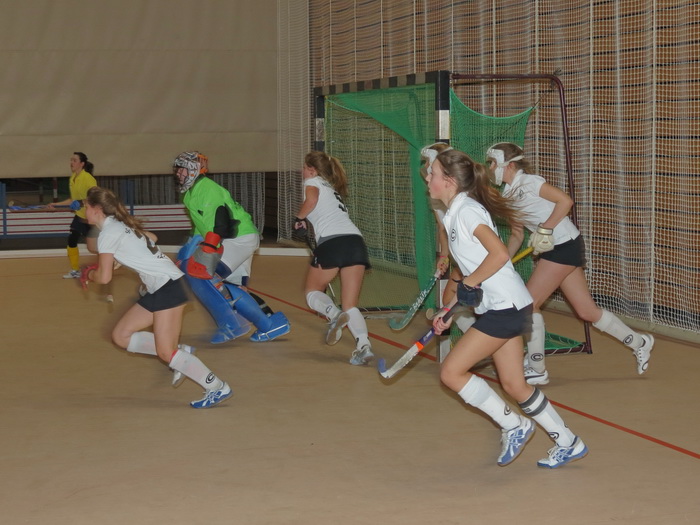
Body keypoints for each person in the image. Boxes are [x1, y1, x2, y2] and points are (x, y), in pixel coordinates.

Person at [427, 148, 587, 468]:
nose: (428, 178)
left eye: (432, 174)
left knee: (451, 372)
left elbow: (499, 254)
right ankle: (569, 442)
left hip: (505, 308)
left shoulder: (466, 211)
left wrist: (470, 283)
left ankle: (513, 425)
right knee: (515, 384)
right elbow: (475, 271)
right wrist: (450, 309)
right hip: (504, 305)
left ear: (449, 181)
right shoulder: (455, 211)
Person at [485, 143, 654, 385]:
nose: (490, 168)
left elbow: (565, 201)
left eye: (492, 162)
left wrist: (545, 229)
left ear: (509, 165)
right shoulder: (508, 195)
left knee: (528, 304)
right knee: (586, 311)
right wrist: (504, 261)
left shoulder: (530, 182)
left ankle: (536, 367)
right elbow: (517, 234)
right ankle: (640, 342)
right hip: (559, 247)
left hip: (564, 245)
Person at [81, 186, 231, 408]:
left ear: (96, 209)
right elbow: (151, 237)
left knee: (165, 352)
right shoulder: (119, 226)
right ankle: (181, 352)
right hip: (161, 286)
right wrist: (122, 257)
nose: (84, 211)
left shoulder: (108, 233)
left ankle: (217, 387)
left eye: (86, 206)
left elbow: (103, 277)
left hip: (168, 286)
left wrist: (88, 274)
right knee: (121, 336)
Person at [173, 151, 290, 344]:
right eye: (177, 170)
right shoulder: (190, 194)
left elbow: (220, 223)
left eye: (182, 169)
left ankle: (234, 324)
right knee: (233, 287)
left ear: (193, 170)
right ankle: (269, 325)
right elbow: (201, 227)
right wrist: (187, 250)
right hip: (234, 238)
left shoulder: (207, 189)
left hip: (236, 238)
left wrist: (208, 250)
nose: (178, 174)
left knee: (203, 278)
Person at [293, 151, 373, 366]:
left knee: (312, 292)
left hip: (332, 242)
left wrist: (298, 218)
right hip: (356, 242)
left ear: (313, 170)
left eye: (304, 167)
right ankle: (364, 346)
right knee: (351, 305)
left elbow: (311, 200)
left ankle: (332, 313)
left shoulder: (312, 182)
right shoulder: (331, 189)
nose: (302, 171)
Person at [421, 143, 476, 334]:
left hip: (475, 266)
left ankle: (478, 340)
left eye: (430, 167)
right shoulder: (438, 197)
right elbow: (443, 229)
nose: (426, 172)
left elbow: (495, 253)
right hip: (465, 262)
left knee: (457, 301)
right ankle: (477, 339)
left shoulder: (465, 206)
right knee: (450, 302)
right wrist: (444, 256)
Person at [49, 152, 97, 278]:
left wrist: (80, 202)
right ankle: (75, 270)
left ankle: (112, 262)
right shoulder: (72, 178)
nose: (71, 163)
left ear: (82, 164)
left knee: (96, 247)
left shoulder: (88, 178)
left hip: (90, 217)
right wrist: (56, 204)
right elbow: (72, 199)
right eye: (71, 160)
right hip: (80, 216)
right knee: (72, 240)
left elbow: (95, 197)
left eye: (74, 160)